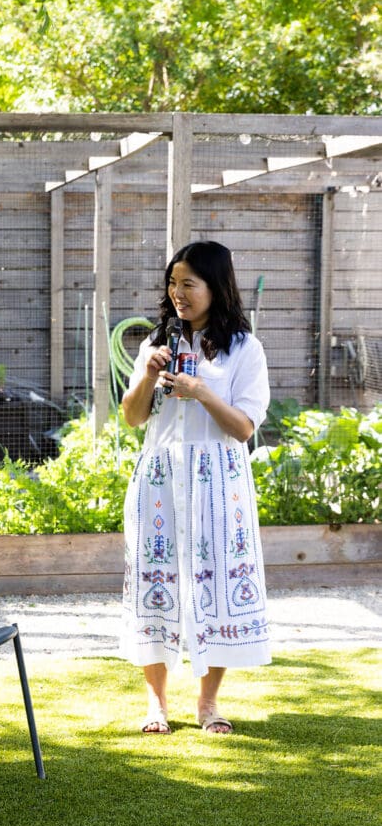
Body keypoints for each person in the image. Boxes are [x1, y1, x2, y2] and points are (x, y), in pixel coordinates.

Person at [120, 240, 271, 735]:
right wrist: (147, 374)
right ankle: (156, 704)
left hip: (217, 482)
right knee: (155, 582)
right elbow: (133, 418)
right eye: (173, 282)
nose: (178, 292)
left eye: (189, 283)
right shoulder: (157, 344)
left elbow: (245, 428)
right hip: (161, 480)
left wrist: (201, 392)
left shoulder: (244, 349)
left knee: (218, 584)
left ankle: (208, 705)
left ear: (215, 287)